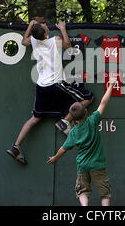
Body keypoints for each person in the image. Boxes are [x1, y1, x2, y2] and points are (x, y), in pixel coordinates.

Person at [7, 18, 94, 165]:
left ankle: (16, 146)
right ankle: (65, 122)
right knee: (88, 97)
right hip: (56, 84)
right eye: (44, 25)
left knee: (35, 118)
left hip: (42, 86)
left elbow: (23, 41)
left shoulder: (33, 42)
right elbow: (68, 46)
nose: (46, 25)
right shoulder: (55, 40)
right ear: (46, 32)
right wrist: (63, 28)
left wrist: (30, 25)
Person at [47, 77, 117, 206]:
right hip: (97, 165)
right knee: (105, 194)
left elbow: (64, 148)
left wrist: (55, 158)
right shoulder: (92, 121)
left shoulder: (73, 132)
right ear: (86, 111)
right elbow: (103, 103)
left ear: (72, 119)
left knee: (83, 192)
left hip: (82, 166)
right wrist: (111, 85)